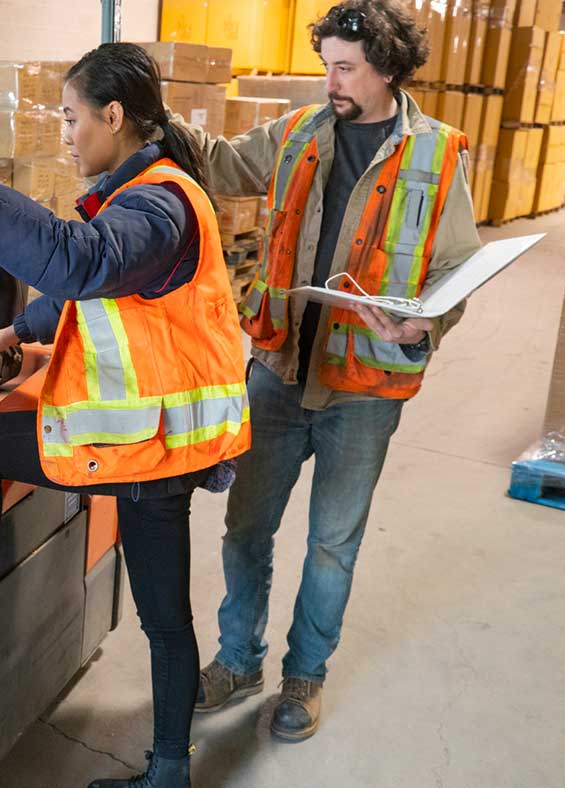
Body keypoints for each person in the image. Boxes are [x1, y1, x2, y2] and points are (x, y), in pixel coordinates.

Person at [0, 43, 251, 788]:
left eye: (71, 118)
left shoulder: (160, 202)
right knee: (165, 620)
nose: (65, 134)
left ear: (113, 116)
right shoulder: (141, 193)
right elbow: (97, 286)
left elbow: (81, 263)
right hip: (149, 444)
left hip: (149, 451)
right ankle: (169, 771)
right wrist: (15, 332)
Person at [179, 0, 483, 742]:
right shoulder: (297, 134)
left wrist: (427, 322)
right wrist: (157, 115)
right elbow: (219, 162)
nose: (331, 82)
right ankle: (237, 660)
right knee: (245, 529)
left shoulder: (437, 154)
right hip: (279, 368)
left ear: (387, 69)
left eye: (345, 69)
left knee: (331, 544)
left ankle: (304, 677)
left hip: (363, 389)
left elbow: (457, 267)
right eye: (328, 66)